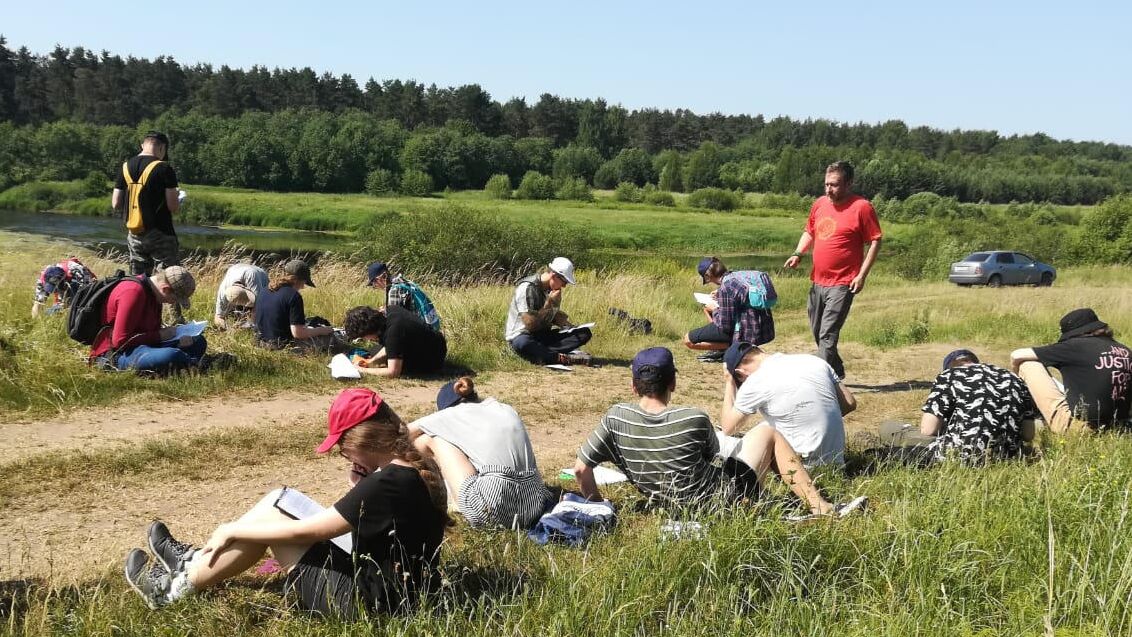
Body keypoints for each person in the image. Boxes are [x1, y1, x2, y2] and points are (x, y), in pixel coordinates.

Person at [122, 388, 449, 619]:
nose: (344, 455)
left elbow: (316, 531)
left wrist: (234, 529)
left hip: (368, 604)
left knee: (269, 524)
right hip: (402, 589)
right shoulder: (415, 465)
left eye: (343, 447)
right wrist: (359, 483)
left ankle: (171, 589)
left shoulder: (385, 483)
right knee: (276, 504)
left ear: (361, 440)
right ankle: (192, 565)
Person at [573, 347, 866, 518]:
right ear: (673, 383)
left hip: (664, 504)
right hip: (721, 503)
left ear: (633, 386)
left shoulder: (615, 418)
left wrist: (598, 506)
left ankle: (783, 500)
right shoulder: (693, 417)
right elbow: (721, 453)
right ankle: (820, 507)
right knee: (768, 432)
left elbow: (581, 469)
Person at [407, 377, 552, 529]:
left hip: (489, 508)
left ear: (446, 406)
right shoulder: (505, 408)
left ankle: (420, 488)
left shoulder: (451, 413)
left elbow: (402, 435)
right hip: (535, 503)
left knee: (430, 439)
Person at [784, 161, 882, 379]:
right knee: (818, 331)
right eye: (826, 184)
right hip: (818, 280)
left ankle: (822, 383)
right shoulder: (819, 204)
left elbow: (875, 241)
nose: (829, 189)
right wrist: (798, 253)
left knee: (828, 334)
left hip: (843, 282)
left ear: (849, 183)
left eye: (834, 185)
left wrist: (861, 275)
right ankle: (836, 370)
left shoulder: (862, 207)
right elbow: (809, 231)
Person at [720, 341, 853, 470]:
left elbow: (728, 428)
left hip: (800, 467)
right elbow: (849, 403)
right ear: (760, 351)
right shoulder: (815, 361)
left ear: (739, 373)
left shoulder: (755, 382)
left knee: (745, 435)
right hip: (836, 463)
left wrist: (729, 383)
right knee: (768, 425)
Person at [1010, 308, 1131, 432]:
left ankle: (1024, 409)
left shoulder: (1075, 346)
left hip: (1079, 427)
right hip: (1119, 426)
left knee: (1027, 364)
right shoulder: (1126, 351)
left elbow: (1016, 355)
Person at [89, 266, 221, 375]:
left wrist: (174, 338)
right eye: (175, 299)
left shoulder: (154, 293)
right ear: (166, 289)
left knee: (198, 341)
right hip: (115, 354)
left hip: (142, 347)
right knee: (171, 355)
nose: (173, 303)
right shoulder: (133, 292)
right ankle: (198, 365)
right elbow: (120, 341)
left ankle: (187, 364)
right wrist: (160, 336)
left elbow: (148, 331)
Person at [912, 349, 1037, 464]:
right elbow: (1028, 434)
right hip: (1009, 457)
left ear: (948, 367)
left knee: (905, 435)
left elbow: (928, 430)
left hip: (959, 455)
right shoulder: (1014, 378)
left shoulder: (948, 375)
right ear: (975, 362)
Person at [111, 131, 183, 278]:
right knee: (171, 280)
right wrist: (178, 197)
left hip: (135, 233)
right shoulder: (164, 168)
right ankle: (174, 302)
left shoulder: (125, 167)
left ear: (143, 144)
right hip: (161, 232)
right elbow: (173, 207)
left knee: (138, 280)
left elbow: (116, 203)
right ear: (162, 148)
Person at [683, 256, 775, 362]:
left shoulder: (726, 286)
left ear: (708, 276)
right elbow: (741, 295)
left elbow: (724, 325)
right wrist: (719, 294)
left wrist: (714, 309)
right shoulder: (736, 276)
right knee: (707, 310)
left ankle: (731, 349)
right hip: (762, 328)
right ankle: (727, 349)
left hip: (746, 331)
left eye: (707, 280)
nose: (710, 282)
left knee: (688, 340)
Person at [505, 257, 593, 366]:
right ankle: (559, 357)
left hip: (541, 335)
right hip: (522, 335)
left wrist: (563, 323)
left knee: (584, 333)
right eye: (564, 281)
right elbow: (531, 325)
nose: (564, 286)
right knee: (524, 343)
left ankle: (542, 354)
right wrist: (550, 303)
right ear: (554, 275)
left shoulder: (550, 289)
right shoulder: (527, 288)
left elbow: (549, 317)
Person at [255, 259, 347, 354]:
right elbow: (298, 333)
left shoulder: (265, 289)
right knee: (331, 338)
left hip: (260, 343)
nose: (303, 287)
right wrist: (322, 330)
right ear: (298, 280)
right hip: (282, 347)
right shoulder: (294, 296)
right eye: (304, 282)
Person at [343, 305, 447, 378]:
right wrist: (371, 361)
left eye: (364, 336)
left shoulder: (393, 332)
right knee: (375, 351)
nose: (366, 339)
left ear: (368, 331)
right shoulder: (390, 311)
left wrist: (363, 370)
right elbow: (391, 346)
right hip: (434, 342)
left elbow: (393, 372)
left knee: (380, 356)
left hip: (433, 359)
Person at [366, 262, 441, 332]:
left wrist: (383, 313)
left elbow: (394, 319)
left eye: (374, 282)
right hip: (429, 326)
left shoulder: (394, 290)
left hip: (420, 332)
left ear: (382, 277)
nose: (375, 286)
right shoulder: (405, 282)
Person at [32, 257, 96, 318]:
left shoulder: (76, 270)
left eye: (56, 288)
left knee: (74, 308)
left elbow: (91, 291)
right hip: (65, 288)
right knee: (55, 311)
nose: (54, 291)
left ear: (64, 279)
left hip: (78, 283)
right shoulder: (42, 278)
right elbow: (37, 304)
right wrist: (36, 321)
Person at [213, 263, 269, 328]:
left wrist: (249, 324)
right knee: (235, 315)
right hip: (235, 270)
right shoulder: (223, 292)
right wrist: (228, 328)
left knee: (263, 315)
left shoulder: (252, 277)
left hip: (259, 277)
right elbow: (218, 317)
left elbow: (258, 306)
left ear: (245, 288)